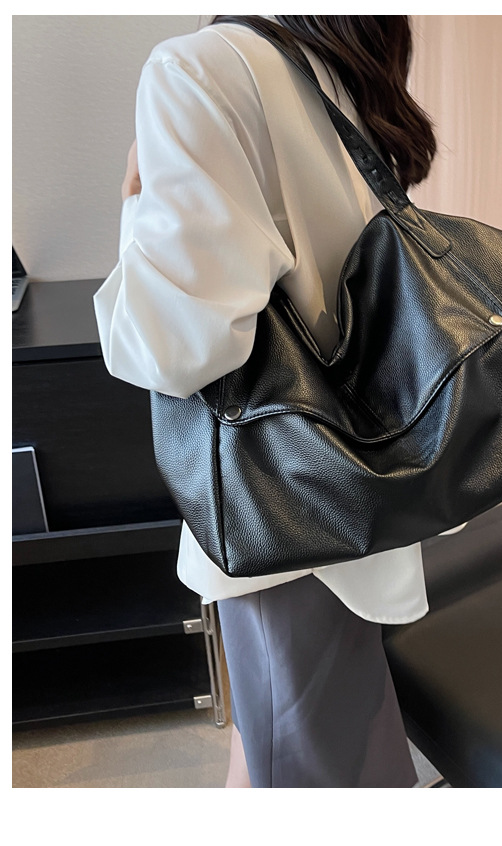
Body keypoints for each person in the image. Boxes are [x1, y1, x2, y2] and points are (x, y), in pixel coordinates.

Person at [93, 15, 438, 788]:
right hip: (364, 484)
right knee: (287, 750)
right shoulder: (340, 54)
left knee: (306, 772)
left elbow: (174, 349)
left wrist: (133, 199)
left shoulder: (198, 67)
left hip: (277, 513)